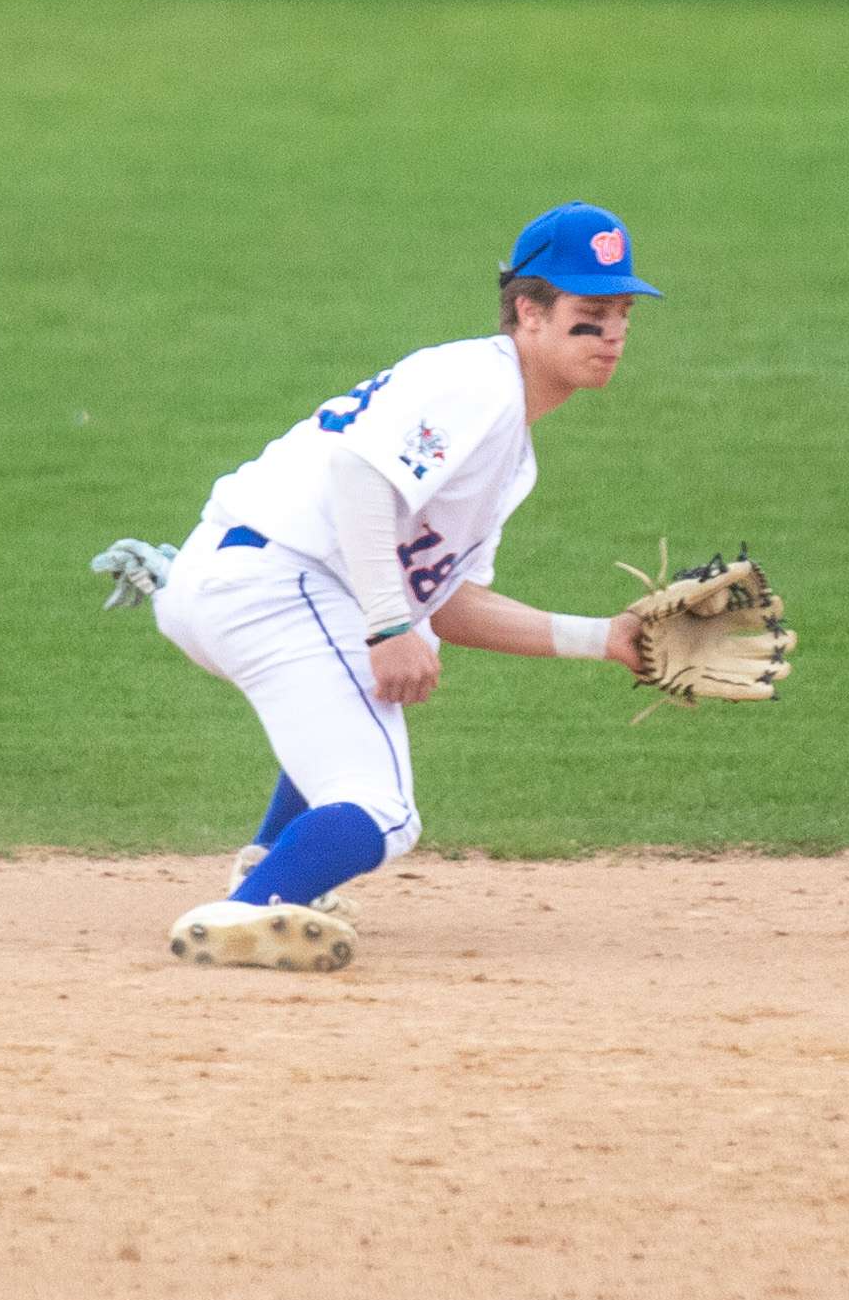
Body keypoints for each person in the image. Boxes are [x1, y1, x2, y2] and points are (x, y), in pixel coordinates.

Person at [95, 202, 668, 971]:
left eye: (622, 314)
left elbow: (450, 602)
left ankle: (273, 863)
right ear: (528, 313)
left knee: (382, 666)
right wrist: (389, 626)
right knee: (384, 810)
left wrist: (603, 638)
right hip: (276, 585)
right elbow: (359, 475)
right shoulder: (479, 382)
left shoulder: (506, 444)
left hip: (241, 583)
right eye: (588, 314)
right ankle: (244, 913)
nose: (612, 334)